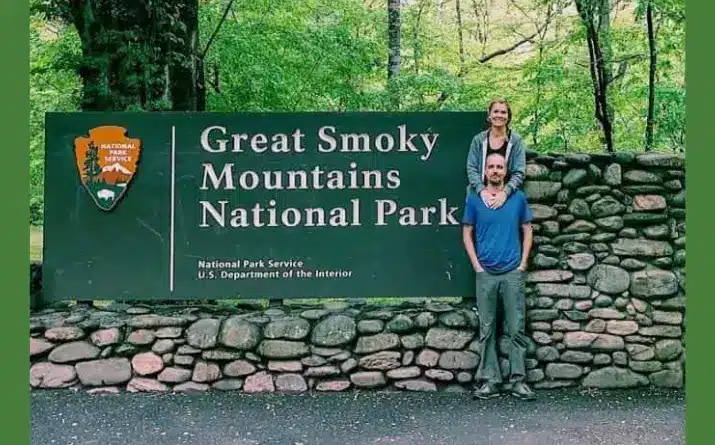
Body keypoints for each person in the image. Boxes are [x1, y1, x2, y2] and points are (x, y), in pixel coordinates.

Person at [461, 152, 535, 401]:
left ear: (505, 171)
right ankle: (490, 381)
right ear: (485, 171)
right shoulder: (474, 199)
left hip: (512, 271)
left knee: (516, 329)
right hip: (486, 273)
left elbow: (527, 230)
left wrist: (523, 263)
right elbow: (466, 233)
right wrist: (477, 266)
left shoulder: (518, 199)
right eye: (491, 166)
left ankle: (518, 381)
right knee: (488, 329)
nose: (495, 170)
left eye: (499, 166)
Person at [466, 98, 527, 209]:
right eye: (496, 111)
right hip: (480, 195)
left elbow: (519, 172)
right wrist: (482, 191)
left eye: (503, 112)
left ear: (508, 117)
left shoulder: (516, 141)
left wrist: (504, 193)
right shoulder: (479, 140)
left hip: (508, 195)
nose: (499, 115)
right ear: (489, 115)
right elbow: (472, 168)